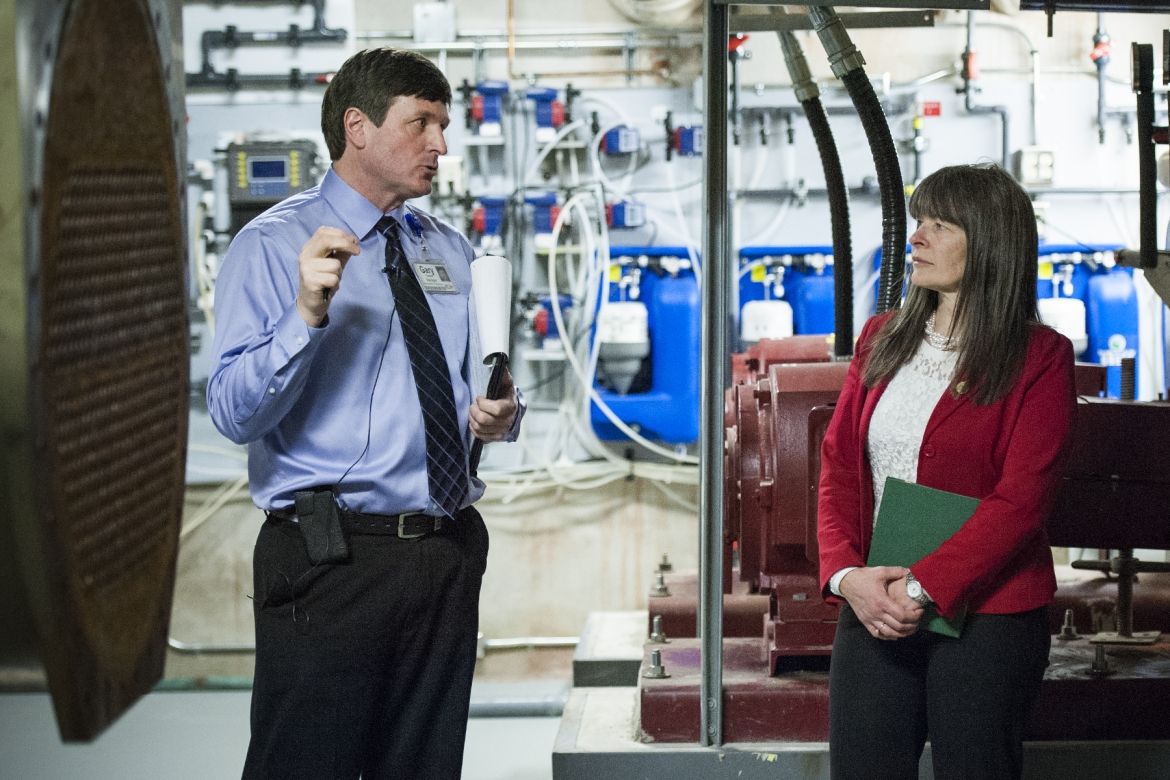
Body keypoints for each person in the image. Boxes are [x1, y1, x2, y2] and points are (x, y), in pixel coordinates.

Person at [207, 48, 523, 779]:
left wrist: (502, 414)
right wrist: (304, 315)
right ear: (358, 126)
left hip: (445, 550)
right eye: (422, 123)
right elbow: (231, 411)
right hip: (331, 558)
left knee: (424, 765)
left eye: (443, 125)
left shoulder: (446, 249)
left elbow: (485, 382)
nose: (441, 144)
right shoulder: (271, 245)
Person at [817, 164, 1076, 779]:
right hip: (872, 604)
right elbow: (839, 470)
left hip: (990, 616)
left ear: (988, 241)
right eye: (917, 223)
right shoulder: (881, 339)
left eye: (940, 224)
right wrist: (848, 577)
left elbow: (1021, 500)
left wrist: (920, 587)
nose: (917, 239)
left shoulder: (1040, 358)